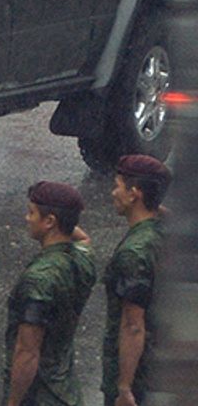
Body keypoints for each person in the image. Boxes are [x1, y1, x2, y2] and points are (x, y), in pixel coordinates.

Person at [4, 181, 97, 406]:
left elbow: (28, 352)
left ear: (49, 221)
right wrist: (66, 220)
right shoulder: (83, 258)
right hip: (67, 391)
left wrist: (12, 402)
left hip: (40, 395)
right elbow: (84, 239)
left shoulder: (39, 280)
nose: (27, 218)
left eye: (32, 212)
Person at [102, 154, 168, 406]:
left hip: (138, 377)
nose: (112, 193)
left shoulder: (133, 253)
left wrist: (124, 387)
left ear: (134, 194)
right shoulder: (163, 232)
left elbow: (133, 324)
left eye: (118, 185)